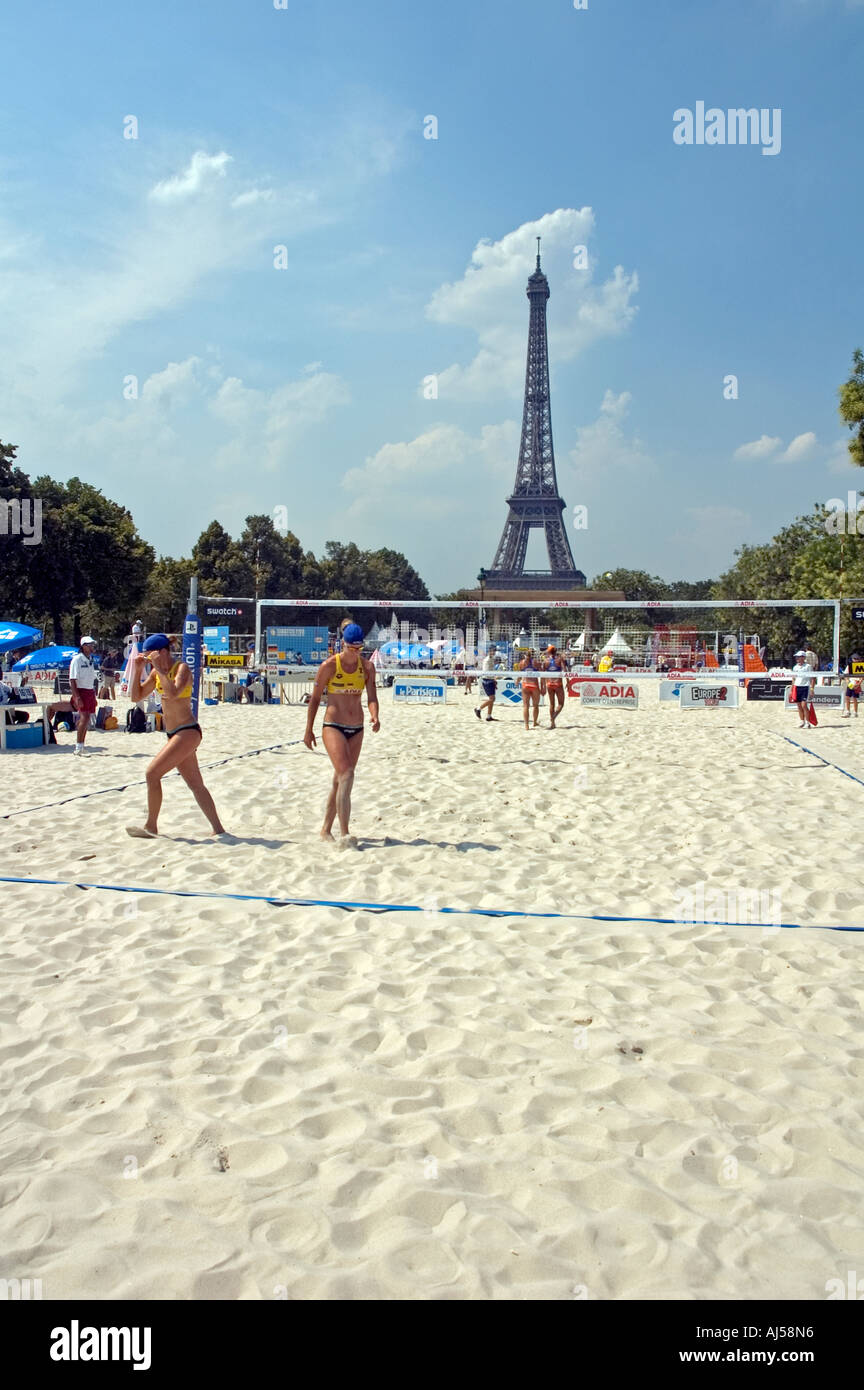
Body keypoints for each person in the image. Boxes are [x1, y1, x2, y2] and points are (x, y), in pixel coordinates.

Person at [125, 634, 225, 839]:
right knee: (196, 784)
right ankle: (219, 829)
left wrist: (159, 670)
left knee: (152, 774)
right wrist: (137, 671)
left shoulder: (181, 669)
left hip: (188, 731)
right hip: (173, 734)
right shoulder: (155, 672)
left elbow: (172, 693)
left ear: (162, 652)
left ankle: (151, 826)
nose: (147, 658)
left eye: (149, 654)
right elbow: (135, 697)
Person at [304, 622, 379, 846]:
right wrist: (308, 730)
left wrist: (375, 715)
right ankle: (345, 834)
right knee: (346, 774)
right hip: (333, 725)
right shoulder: (329, 665)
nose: (356, 653)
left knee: (340, 779)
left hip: (357, 727)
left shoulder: (367, 667)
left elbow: (372, 697)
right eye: (352, 648)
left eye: (359, 649)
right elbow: (315, 698)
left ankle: (326, 830)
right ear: (343, 645)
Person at [68, 637, 99, 756]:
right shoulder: (77, 659)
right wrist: (77, 697)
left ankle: (81, 745)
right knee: (84, 718)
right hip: (81, 691)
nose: (92, 647)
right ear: (84, 646)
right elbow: (72, 679)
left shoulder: (90, 659)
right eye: (90, 645)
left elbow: (90, 678)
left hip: (89, 691)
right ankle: (78, 747)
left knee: (86, 719)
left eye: (92, 645)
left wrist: (93, 695)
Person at [790, 649, 816, 729]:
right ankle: (802, 721)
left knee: (804, 705)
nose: (797, 658)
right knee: (799, 705)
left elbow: (812, 678)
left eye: (799, 657)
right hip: (797, 686)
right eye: (797, 657)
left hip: (805, 686)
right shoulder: (795, 667)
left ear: (803, 657)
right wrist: (791, 689)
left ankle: (807, 722)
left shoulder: (808, 667)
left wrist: (812, 688)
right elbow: (794, 679)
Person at [542, 644, 566, 729]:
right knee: (561, 704)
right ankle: (553, 718)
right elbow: (565, 671)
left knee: (552, 704)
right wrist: (568, 682)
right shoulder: (559, 659)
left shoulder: (546, 661)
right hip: (558, 683)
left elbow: (542, 674)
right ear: (556, 651)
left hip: (549, 683)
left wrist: (543, 686)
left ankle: (552, 723)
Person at [474, 644, 499, 721]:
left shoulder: (490, 659)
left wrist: (494, 680)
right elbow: (487, 673)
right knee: (492, 699)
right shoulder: (488, 659)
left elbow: (491, 671)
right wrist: (493, 679)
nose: (495, 652)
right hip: (487, 680)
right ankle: (478, 709)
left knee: (491, 698)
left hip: (490, 679)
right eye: (493, 650)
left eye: (495, 650)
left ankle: (489, 716)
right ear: (490, 651)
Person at [518, 650, 541, 729]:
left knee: (526, 706)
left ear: (525, 655)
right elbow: (542, 672)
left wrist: (517, 682)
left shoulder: (521, 663)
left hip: (525, 684)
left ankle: (526, 725)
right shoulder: (535, 662)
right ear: (532, 655)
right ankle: (534, 722)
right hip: (534, 684)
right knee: (535, 706)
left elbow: (519, 675)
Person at [843, 654, 862, 718]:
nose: (855, 660)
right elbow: (845, 675)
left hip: (856, 683)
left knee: (855, 698)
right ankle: (848, 711)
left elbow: (862, 677)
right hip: (851, 683)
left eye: (857, 659)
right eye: (854, 659)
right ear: (852, 659)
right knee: (847, 697)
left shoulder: (860, 666)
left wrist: (858, 684)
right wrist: (848, 682)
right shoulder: (849, 666)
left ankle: (855, 712)